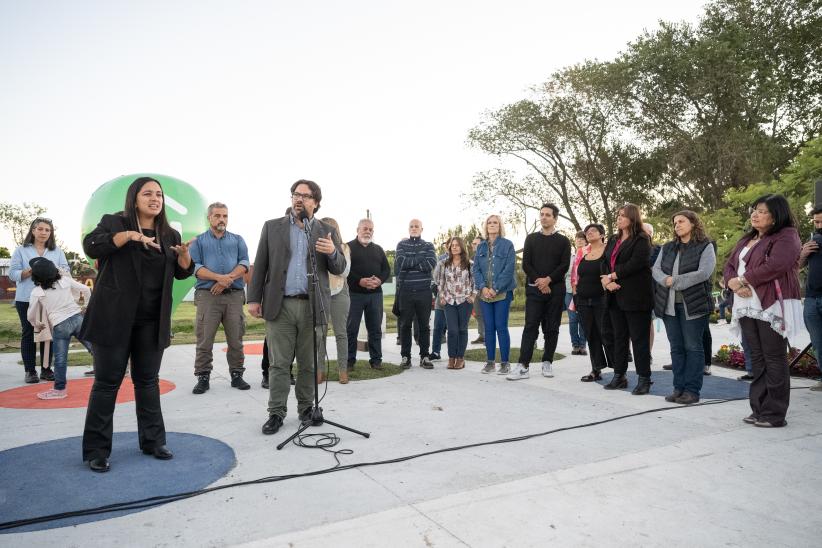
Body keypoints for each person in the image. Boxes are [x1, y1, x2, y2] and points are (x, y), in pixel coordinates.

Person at [80, 176, 194, 473]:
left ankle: (153, 441)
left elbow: (182, 274)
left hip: (151, 321)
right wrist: (128, 236)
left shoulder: (169, 234)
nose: (155, 198)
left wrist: (184, 259)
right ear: (134, 198)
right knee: (107, 384)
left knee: (147, 382)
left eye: (159, 194)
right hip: (113, 319)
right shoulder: (114, 223)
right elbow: (92, 246)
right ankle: (97, 450)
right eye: (148, 194)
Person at [248, 180, 346, 436]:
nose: (299, 199)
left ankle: (306, 408)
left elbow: (339, 268)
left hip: (314, 306)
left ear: (316, 202)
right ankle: (276, 413)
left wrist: (333, 251)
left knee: (309, 363)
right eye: (296, 194)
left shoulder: (326, 230)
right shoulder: (272, 227)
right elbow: (260, 265)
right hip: (280, 306)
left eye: (305, 195)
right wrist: (253, 298)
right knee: (279, 364)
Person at [724, 193, 802, 427]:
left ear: (776, 215)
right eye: (754, 210)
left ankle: (774, 413)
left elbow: (777, 265)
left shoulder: (787, 236)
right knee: (756, 357)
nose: (755, 215)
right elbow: (730, 265)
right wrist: (732, 283)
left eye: (762, 211)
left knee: (773, 357)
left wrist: (743, 280)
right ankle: (758, 408)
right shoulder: (747, 238)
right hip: (746, 304)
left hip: (770, 303)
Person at [653, 211, 716, 404]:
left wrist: (677, 281)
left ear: (693, 223)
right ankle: (678, 388)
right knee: (677, 348)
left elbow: (704, 272)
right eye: (675, 222)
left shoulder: (705, 245)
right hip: (669, 305)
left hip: (694, 305)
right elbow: (655, 269)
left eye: (681, 221)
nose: (677, 225)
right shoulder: (668, 247)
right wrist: (665, 280)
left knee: (693, 347)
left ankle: (692, 391)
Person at [189, 202, 251, 394]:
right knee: (205, 339)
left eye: (224, 216)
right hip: (208, 296)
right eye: (217, 216)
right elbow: (195, 268)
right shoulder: (198, 242)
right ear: (209, 218)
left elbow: (244, 263)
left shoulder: (238, 240)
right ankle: (203, 376)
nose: (221, 219)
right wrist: (219, 278)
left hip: (233, 296)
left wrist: (227, 280)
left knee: (236, 339)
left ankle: (237, 375)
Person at [508, 203, 570, 381]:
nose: (544, 217)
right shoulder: (531, 239)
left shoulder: (563, 241)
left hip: (556, 291)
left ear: (555, 219)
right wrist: (540, 282)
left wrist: (548, 280)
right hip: (534, 291)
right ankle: (523, 366)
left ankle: (547, 362)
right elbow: (526, 264)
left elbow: (564, 265)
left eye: (548, 215)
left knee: (552, 328)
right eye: (542, 214)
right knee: (530, 327)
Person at [601, 203, 654, 395]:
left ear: (633, 218)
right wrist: (607, 281)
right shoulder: (614, 239)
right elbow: (605, 261)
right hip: (614, 295)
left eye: (623, 215)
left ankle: (644, 379)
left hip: (636, 296)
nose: (619, 218)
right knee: (619, 338)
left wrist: (613, 276)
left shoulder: (641, 238)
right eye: (618, 215)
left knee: (639, 340)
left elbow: (637, 263)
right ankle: (619, 376)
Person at [9, 217, 68, 383]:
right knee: (28, 333)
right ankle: (30, 371)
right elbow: (12, 274)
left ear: (51, 233)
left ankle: (46, 370)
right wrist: (29, 271)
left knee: (48, 334)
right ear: (33, 231)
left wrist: (54, 270)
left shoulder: (57, 251)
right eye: (40, 229)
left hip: (50, 298)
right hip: (26, 299)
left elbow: (66, 269)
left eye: (47, 230)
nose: (44, 233)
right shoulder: (21, 250)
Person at [26, 257, 93, 399]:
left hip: (60, 325)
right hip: (77, 319)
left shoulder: (36, 292)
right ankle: (116, 370)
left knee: (60, 359)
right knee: (93, 347)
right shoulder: (65, 280)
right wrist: (86, 306)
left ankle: (59, 390)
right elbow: (86, 289)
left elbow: (30, 315)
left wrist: (36, 324)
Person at [473, 215, 516, 375]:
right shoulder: (481, 247)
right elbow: (476, 269)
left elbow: (509, 269)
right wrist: (483, 287)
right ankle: (490, 362)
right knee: (489, 328)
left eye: (495, 223)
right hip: (485, 294)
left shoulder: (507, 245)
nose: (492, 225)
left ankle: (505, 363)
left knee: (501, 327)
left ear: (500, 226)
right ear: (486, 226)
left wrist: (495, 288)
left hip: (502, 293)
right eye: (489, 223)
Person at [346, 219, 390, 373]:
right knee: (351, 329)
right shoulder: (348, 248)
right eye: (365, 228)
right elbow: (344, 270)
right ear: (357, 229)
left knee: (375, 329)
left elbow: (386, 270)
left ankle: (376, 361)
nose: (368, 231)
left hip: (375, 295)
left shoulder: (378, 249)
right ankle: (349, 361)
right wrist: (360, 281)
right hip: (354, 294)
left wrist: (379, 280)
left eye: (371, 229)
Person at [395, 219, 437, 369]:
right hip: (406, 292)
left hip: (424, 291)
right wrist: (420, 258)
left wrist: (411, 261)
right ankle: (405, 356)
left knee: (424, 325)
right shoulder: (401, 245)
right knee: (405, 325)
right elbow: (401, 262)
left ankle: (424, 356)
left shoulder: (428, 245)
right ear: (408, 229)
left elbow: (431, 263)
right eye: (411, 226)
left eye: (416, 226)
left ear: (421, 229)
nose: (414, 228)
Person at [574, 224, 612, 381]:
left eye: (593, 231)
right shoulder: (584, 253)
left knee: (607, 334)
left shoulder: (609, 252)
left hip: (602, 300)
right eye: (587, 232)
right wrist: (576, 296)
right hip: (583, 300)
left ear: (602, 234)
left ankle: (619, 371)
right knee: (591, 335)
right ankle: (596, 369)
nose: (589, 233)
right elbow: (577, 277)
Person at [437, 237, 477, 369]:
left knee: (462, 329)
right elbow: (440, 282)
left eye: (457, 245)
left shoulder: (470, 264)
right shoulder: (444, 263)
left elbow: (475, 282)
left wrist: (473, 296)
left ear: (462, 247)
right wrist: (442, 296)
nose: (454, 247)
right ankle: (451, 358)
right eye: (452, 245)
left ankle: (460, 358)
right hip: (449, 300)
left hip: (465, 301)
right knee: (452, 330)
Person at [321, 217, 351, 384]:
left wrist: (332, 253)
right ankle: (319, 371)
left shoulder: (344, 248)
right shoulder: (315, 246)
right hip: (321, 293)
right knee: (320, 334)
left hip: (339, 292)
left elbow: (345, 272)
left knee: (341, 333)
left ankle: (343, 371)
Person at [799, 205, 822, 392]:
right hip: (812, 299)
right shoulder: (813, 239)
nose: (819, 225)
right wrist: (803, 253)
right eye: (816, 222)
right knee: (818, 341)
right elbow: (796, 266)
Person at [566, 231, 588, 355]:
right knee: (573, 319)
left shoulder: (589, 255)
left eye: (582, 239)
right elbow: (565, 273)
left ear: (586, 241)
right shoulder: (570, 257)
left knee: (583, 319)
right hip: (569, 291)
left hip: (584, 291)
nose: (579, 240)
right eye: (577, 238)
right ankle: (575, 345)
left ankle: (583, 345)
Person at [429, 244, 449, 361]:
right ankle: (436, 352)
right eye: (450, 245)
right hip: (441, 298)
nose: (452, 247)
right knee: (437, 326)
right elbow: (435, 278)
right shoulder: (441, 260)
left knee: (454, 328)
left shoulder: (465, 261)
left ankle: (456, 354)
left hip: (456, 300)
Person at [470, 237, 486, 344]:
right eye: (473, 243)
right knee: (478, 314)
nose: (473, 245)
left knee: (486, 314)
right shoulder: (472, 257)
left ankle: (487, 336)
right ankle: (482, 335)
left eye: (476, 243)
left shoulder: (486, 256)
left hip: (484, 289)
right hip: (474, 290)